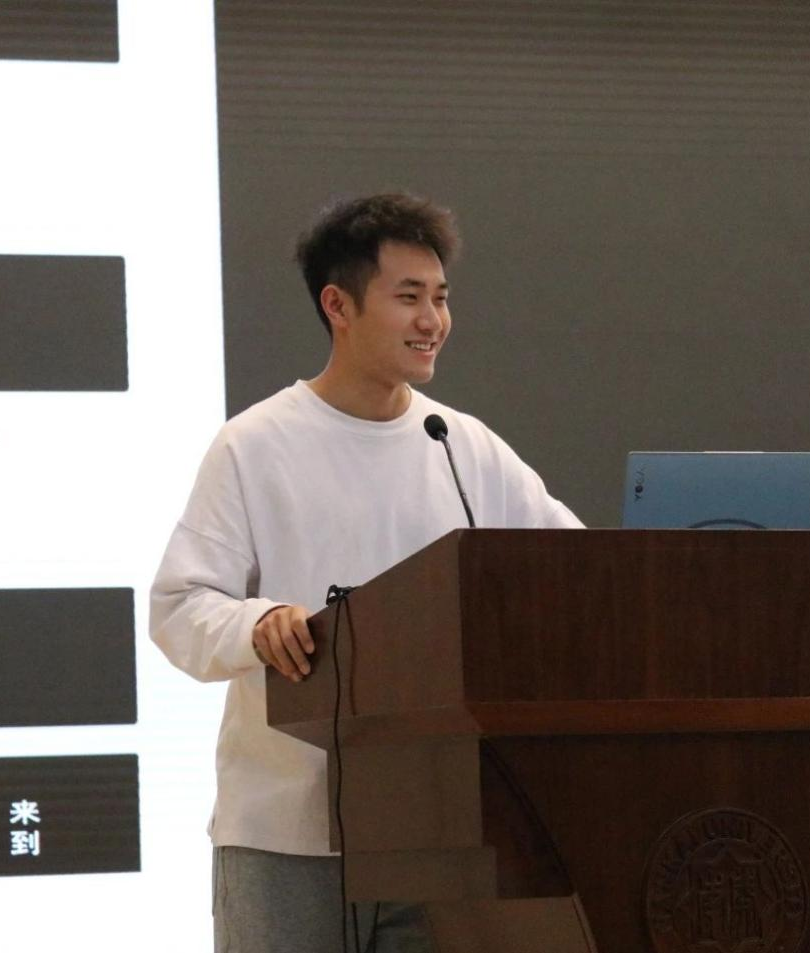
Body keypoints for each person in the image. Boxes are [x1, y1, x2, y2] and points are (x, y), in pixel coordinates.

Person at [149, 192, 582, 952]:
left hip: (437, 827)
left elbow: (569, 569)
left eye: (440, 298)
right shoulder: (255, 444)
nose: (432, 320)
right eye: (408, 297)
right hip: (286, 827)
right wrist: (259, 623)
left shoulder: (461, 445)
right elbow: (180, 608)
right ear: (338, 305)